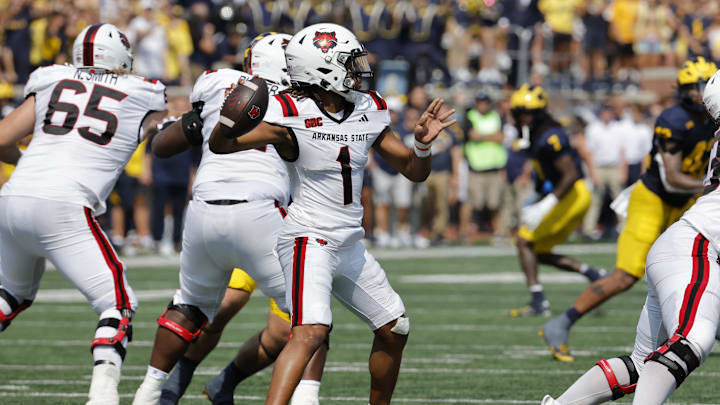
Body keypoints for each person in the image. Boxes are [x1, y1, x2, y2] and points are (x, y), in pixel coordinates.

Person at [209, 23, 455, 405]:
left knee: (395, 327)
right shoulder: (290, 111)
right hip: (309, 236)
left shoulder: (368, 108)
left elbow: (413, 171)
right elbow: (224, 145)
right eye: (350, 62)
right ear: (323, 68)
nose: (360, 68)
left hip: (349, 240)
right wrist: (229, 120)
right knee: (310, 332)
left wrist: (421, 145)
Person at [131, 33, 325, 405]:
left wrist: (179, 123)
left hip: (205, 209)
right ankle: (306, 399)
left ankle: (151, 391)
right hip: (267, 214)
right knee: (309, 313)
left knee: (189, 306)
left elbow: (162, 146)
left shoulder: (219, 85)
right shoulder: (307, 101)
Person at [0, 23, 167, 405]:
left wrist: (26, 164)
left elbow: (2, 138)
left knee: (11, 293)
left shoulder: (51, 79)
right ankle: (103, 396)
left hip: (12, 198)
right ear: (122, 58)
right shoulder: (143, 91)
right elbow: (164, 132)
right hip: (65, 205)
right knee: (118, 305)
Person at [541, 67, 720, 405]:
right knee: (693, 341)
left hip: (683, 245)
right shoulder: (682, 123)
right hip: (697, 247)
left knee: (642, 363)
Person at [508, 84, 605, 318]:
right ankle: (592, 274)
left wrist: (545, 205)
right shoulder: (534, 136)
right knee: (535, 250)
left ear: (539, 113)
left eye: (528, 114)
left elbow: (570, 174)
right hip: (565, 195)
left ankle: (539, 302)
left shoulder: (551, 136)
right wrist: (536, 198)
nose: (523, 119)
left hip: (574, 195)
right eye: (519, 114)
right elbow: (545, 174)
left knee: (523, 241)